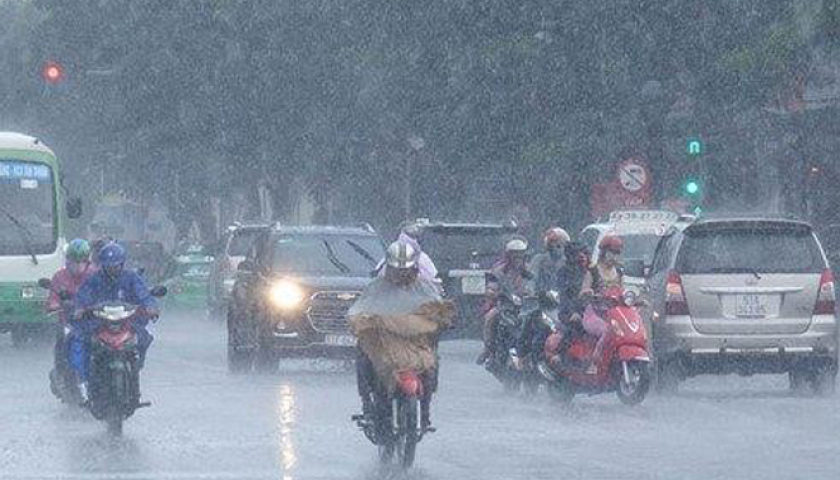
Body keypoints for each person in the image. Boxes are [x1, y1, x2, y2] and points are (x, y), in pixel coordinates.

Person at [350, 241, 450, 429]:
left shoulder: (425, 288)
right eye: (397, 270)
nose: (401, 275)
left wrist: (440, 321)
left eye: (406, 270)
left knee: (431, 364)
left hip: (416, 343)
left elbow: (439, 309)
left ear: (414, 268)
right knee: (363, 356)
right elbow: (359, 310)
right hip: (385, 342)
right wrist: (363, 322)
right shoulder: (376, 287)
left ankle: (425, 410)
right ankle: (367, 404)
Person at [71, 243, 159, 402]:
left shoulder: (131, 278)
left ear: (122, 264)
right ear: (103, 265)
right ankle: (85, 380)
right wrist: (80, 309)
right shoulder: (94, 280)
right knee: (81, 341)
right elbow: (83, 296)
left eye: (116, 265)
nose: (112, 269)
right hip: (99, 324)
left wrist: (150, 307)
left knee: (144, 338)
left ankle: (135, 367)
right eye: (109, 266)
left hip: (127, 323)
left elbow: (144, 295)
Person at [46, 239, 96, 395]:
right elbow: (53, 296)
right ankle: (61, 373)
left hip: (93, 321)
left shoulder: (95, 275)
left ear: (87, 261)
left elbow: (105, 293)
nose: (78, 265)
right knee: (62, 342)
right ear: (68, 261)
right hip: (69, 322)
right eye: (75, 261)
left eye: (82, 261)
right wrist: (55, 304)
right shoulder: (59, 277)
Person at [476, 237, 533, 365]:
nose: (517, 258)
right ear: (508, 255)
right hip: (505, 306)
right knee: (490, 317)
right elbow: (491, 286)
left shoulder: (530, 270)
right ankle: (488, 349)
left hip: (527, 307)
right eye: (514, 255)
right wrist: (495, 292)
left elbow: (536, 284)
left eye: (520, 255)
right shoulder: (498, 271)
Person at [578, 235, 625, 374]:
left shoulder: (619, 272)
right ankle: (594, 363)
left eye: (617, 253)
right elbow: (583, 291)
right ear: (603, 252)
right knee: (607, 331)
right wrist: (589, 293)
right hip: (594, 313)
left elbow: (623, 292)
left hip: (615, 314)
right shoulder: (593, 271)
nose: (614, 257)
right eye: (611, 253)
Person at [530, 227, 571, 294]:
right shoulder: (539, 260)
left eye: (559, 245)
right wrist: (530, 291)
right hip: (540, 297)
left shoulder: (569, 263)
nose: (555, 248)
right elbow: (531, 279)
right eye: (552, 244)